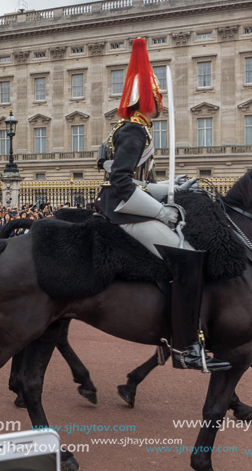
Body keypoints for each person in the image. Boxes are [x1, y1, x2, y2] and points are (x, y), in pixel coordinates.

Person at [96, 37, 229, 373]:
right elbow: (122, 182)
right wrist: (159, 210)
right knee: (187, 260)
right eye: (157, 98)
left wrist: (172, 186)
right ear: (147, 100)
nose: (160, 104)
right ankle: (185, 346)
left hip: (124, 205)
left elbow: (137, 181)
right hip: (125, 212)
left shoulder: (129, 129)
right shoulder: (135, 132)